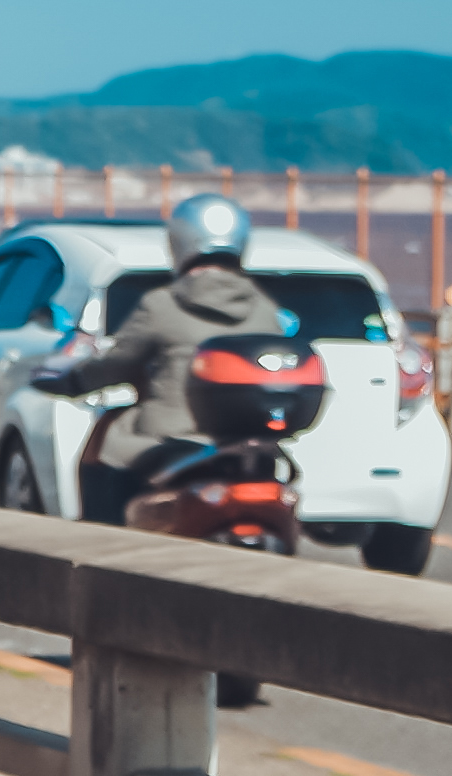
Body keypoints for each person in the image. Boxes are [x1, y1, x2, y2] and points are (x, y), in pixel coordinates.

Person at [30, 191, 279, 529]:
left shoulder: (162, 304)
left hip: (170, 436)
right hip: (247, 444)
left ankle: (100, 549)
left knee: (102, 450)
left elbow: (114, 364)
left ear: (179, 241)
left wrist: (73, 380)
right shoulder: (267, 311)